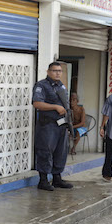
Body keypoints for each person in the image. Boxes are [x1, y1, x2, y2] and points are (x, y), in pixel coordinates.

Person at [32, 62, 74, 191]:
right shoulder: (41, 85)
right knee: (45, 151)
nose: (57, 73)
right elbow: (37, 103)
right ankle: (43, 180)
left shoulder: (62, 86)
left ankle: (57, 178)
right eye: (55, 71)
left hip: (61, 124)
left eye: (60, 71)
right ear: (48, 71)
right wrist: (55, 107)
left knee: (60, 152)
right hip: (48, 124)